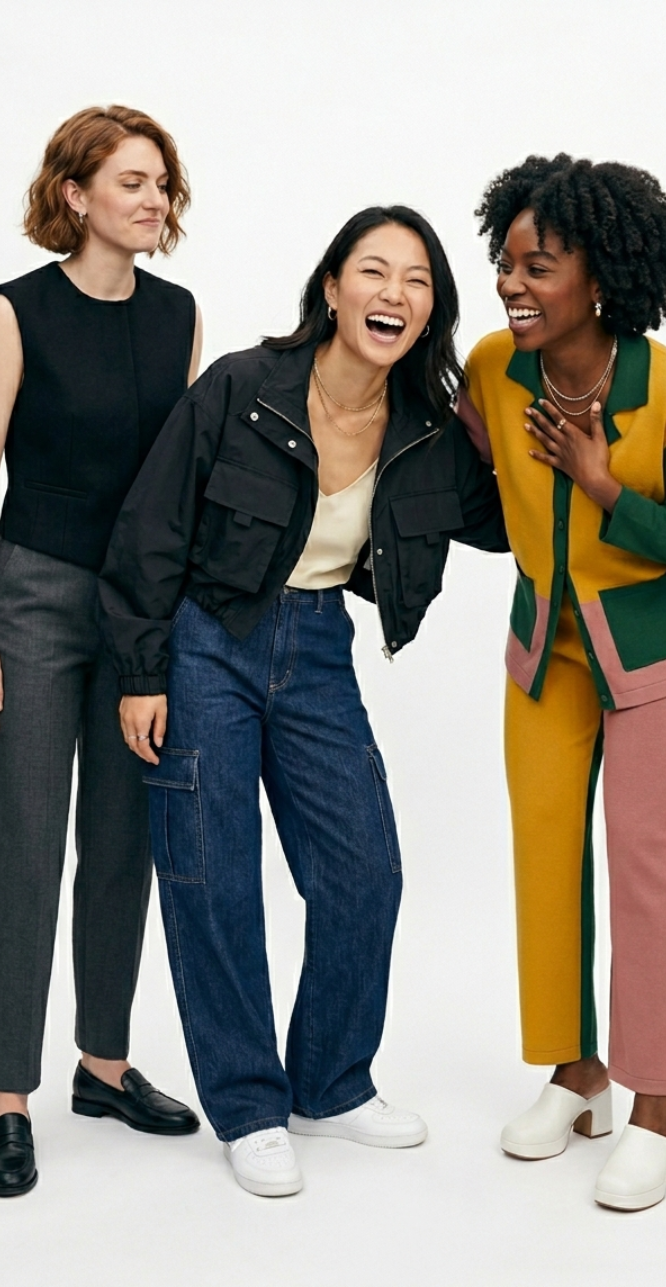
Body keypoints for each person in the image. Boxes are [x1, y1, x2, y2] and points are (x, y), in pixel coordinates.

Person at [99, 206, 508, 1196]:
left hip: (319, 645)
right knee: (214, 873)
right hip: (209, 639)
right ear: (332, 289)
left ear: (429, 312)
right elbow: (150, 529)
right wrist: (145, 671)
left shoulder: (422, 428)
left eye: (416, 282)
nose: (394, 295)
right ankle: (247, 1103)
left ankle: (329, 1084)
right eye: (374, 272)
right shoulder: (243, 386)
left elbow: (498, 520)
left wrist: (527, 429)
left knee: (366, 870)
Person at [459, 155, 666, 1211]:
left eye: (541, 265)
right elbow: (466, 476)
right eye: (505, 263)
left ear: (601, 274)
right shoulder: (494, 367)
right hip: (546, 653)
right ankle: (577, 1078)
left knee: (640, 863)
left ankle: (656, 1108)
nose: (514, 284)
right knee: (544, 850)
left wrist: (603, 484)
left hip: (656, 653)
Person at [0, 105, 202, 1199]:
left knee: (122, 843)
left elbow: (177, 483)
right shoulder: (18, 313)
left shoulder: (180, 314)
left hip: (138, 610)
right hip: (38, 600)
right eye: (136, 182)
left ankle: (103, 1064)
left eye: (164, 187)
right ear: (76, 196)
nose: (156, 202)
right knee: (28, 843)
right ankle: (10, 1100)